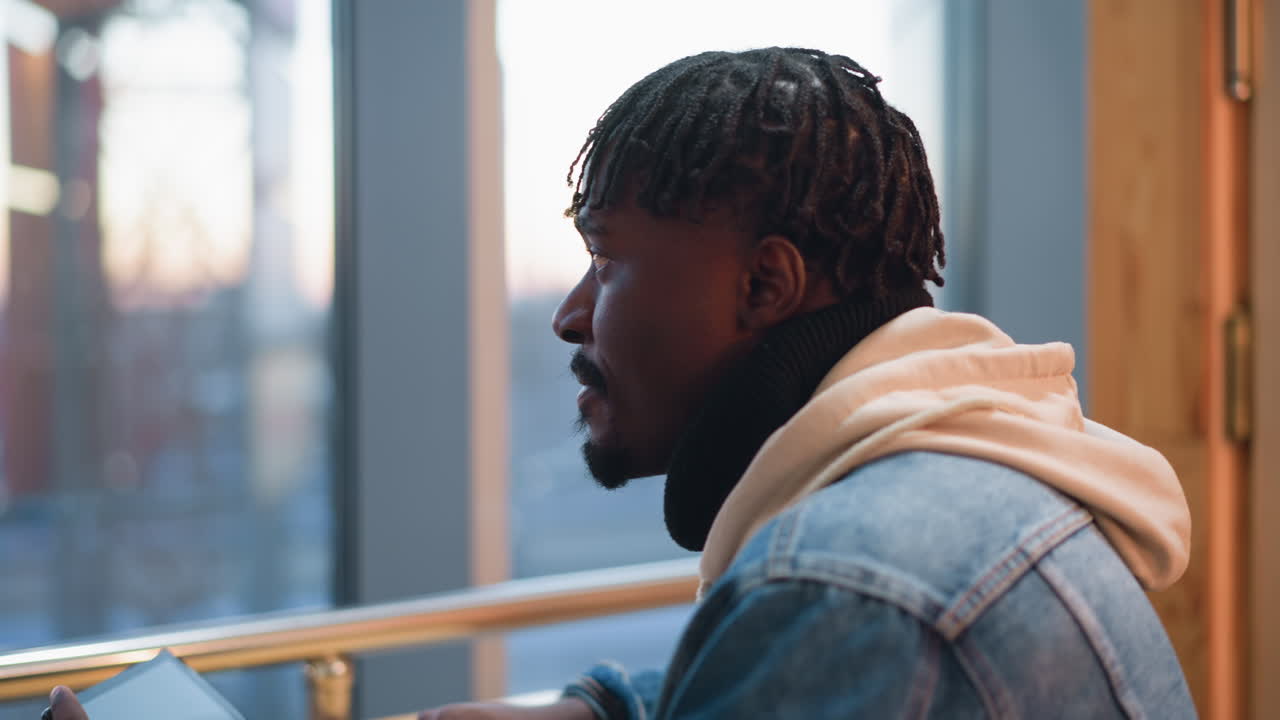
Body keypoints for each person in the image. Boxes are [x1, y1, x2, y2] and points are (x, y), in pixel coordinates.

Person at [43, 47, 1195, 720]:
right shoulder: (972, 477)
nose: (568, 314)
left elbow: (830, 638)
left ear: (766, 286)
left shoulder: (845, 584)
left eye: (607, 259)